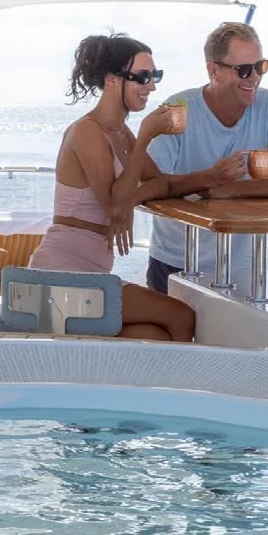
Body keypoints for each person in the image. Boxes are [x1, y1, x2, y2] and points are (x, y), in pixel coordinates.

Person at [27, 34, 197, 342]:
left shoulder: (120, 132)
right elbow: (115, 207)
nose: (151, 86)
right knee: (181, 316)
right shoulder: (87, 132)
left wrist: (214, 177)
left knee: (156, 336)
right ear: (112, 79)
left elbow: (159, 182)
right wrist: (146, 136)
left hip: (90, 276)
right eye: (143, 77)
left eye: (155, 76)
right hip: (61, 277)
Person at [138, 21, 268, 291]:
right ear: (213, 71)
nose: (254, 78)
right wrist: (210, 179)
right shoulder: (178, 109)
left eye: (260, 67)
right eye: (244, 70)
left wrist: (232, 190)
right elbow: (148, 183)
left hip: (242, 265)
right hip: (175, 259)